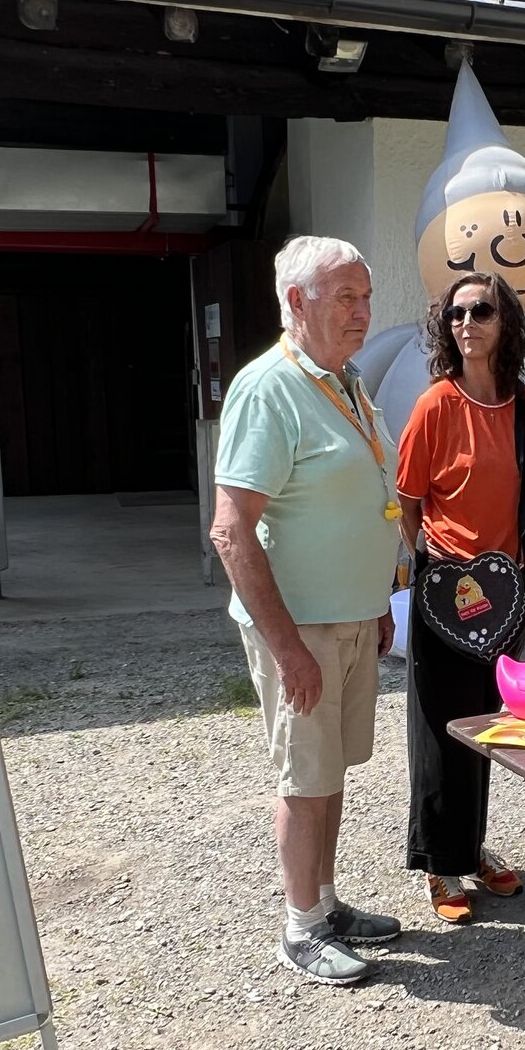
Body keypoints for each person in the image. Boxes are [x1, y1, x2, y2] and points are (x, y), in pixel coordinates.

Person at [211, 235, 404, 987]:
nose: (362, 312)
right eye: (346, 298)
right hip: (302, 628)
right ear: (297, 301)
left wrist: (377, 600)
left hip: (349, 616)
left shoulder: (345, 382)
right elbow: (231, 529)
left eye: (366, 296)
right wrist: (287, 647)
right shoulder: (269, 387)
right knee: (303, 776)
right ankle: (299, 928)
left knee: (331, 770)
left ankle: (324, 902)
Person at [396, 272, 525, 923]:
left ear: (505, 322)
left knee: (485, 724)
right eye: (456, 314)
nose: (466, 323)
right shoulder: (435, 406)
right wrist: (435, 566)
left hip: (510, 590)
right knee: (440, 725)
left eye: (481, 310)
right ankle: (441, 861)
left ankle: (471, 845)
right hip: (448, 591)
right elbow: (408, 502)